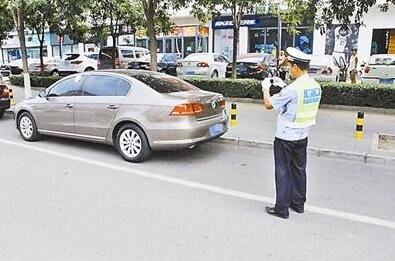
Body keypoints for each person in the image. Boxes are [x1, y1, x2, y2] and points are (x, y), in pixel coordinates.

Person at [261, 47, 322, 219]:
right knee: (299, 170)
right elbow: (298, 102)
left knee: (282, 170)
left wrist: (266, 88)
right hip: (303, 135)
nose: (288, 69)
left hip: (286, 137)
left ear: (295, 67)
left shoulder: (292, 90)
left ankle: (282, 209)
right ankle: (298, 204)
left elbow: (268, 104)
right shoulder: (315, 86)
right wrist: (283, 87)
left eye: (289, 67)